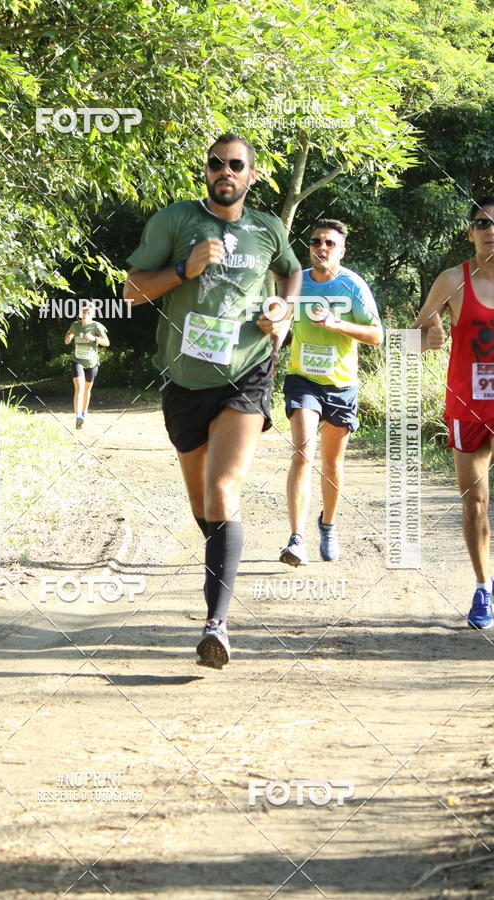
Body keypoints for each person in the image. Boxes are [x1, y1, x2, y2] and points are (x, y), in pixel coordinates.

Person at [123, 133, 302, 668]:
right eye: (216, 164)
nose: (225, 171)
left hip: (245, 374)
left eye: (236, 165)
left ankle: (216, 626)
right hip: (184, 382)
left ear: (251, 175)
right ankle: (223, 557)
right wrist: (184, 270)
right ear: (207, 172)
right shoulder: (175, 221)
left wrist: (284, 310)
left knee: (224, 491)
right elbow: (131, 290)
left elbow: (291, 271)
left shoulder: (267, 228)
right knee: (205, 508)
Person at [280, 219, 383, 566]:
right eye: (315, 242)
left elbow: (376, 335)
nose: (321, 248)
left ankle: (328, 523)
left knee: (332, 463)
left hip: (341, 384)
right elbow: (280, 323)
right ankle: (296, 539)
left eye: (329, 244)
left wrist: (338, 324)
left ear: (341, 250)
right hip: (302, 379)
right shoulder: (298, 283)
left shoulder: (353, 286)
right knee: (303, 451)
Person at [413, 196, 494, 629]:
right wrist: (430, 336)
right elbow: (409, 338)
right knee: (475, 501)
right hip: (469, 404)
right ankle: (483, 587)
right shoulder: (452, 281)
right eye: (481, 223)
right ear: (470, 233)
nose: (490, 230)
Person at [64, 302, 109, 429]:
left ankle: (83, 414)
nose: (85, 315)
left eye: (88, 313)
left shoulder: (97, 326)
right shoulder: (75, 325)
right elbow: (68, 336)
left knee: (87, 390)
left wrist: (93, 338)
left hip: (92, 362)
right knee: (79, 388)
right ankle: (78, 417)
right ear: (80, 314)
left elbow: (107, 342)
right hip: (77, 360)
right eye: (83, 312)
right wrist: (68, 338)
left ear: (92, 315)